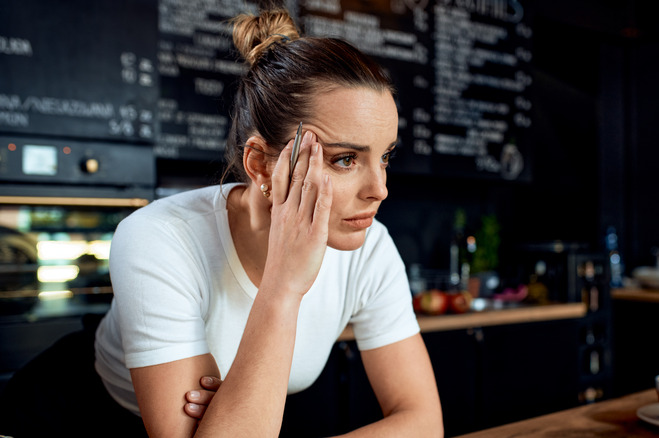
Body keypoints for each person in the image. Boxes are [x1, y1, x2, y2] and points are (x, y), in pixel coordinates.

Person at [92, 3, 442, 438]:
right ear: (260, 166)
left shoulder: (370, 247)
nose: (380, 189)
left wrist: (229, 416)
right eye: (345, 159)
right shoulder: (158, 238)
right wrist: (283, 285)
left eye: (385, 156)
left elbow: (424, 422)